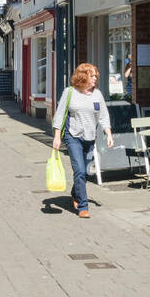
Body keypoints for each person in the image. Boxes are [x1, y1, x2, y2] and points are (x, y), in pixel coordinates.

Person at [51, 63, 113, 219]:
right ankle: (83, 207)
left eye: (96, 77)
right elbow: (59, 115)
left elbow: (104, 116)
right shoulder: (70, 92)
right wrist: (57, 137)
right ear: (83, 76)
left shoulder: (97, 95)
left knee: (85, 172)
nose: (95, 79)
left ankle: (75, 193)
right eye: (92, 76)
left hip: (90, 138)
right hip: (73, 136)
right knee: (78, 170)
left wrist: (108, 133)